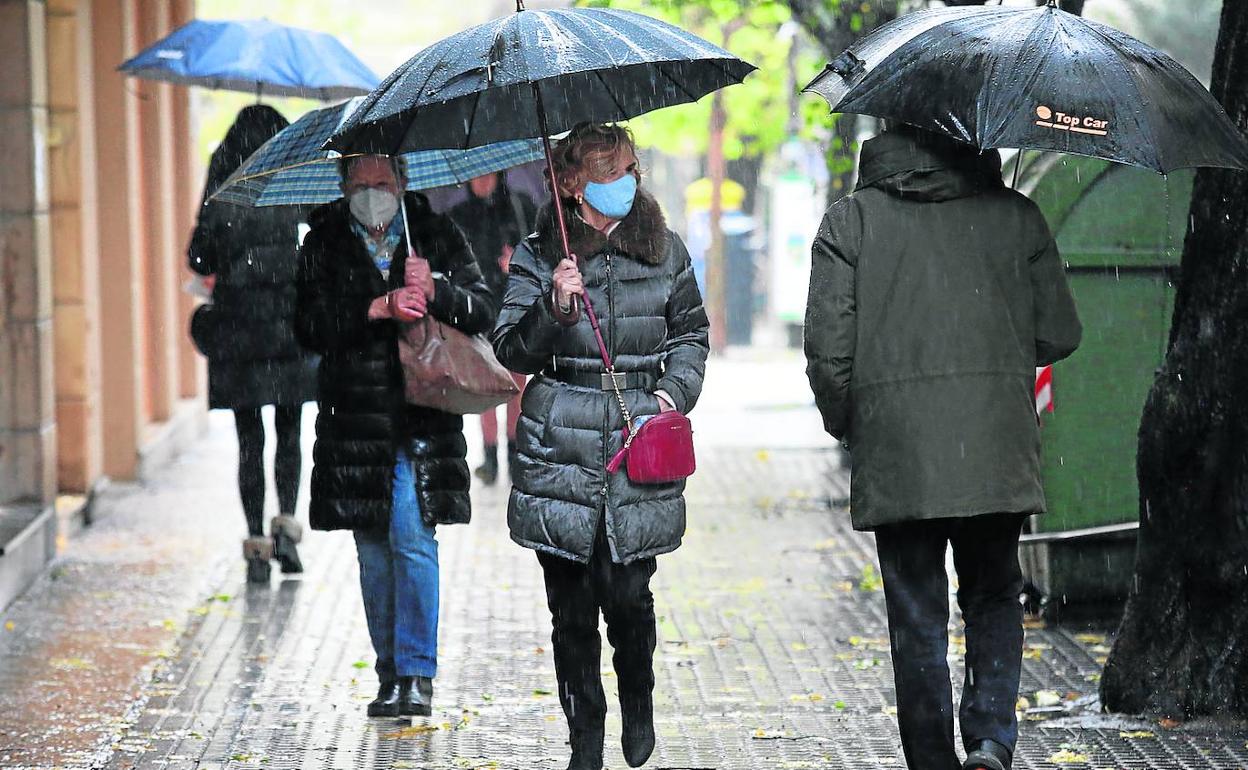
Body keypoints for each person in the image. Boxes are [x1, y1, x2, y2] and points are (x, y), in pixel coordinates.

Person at [803, 124, 1082, 770]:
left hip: (898, 448)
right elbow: (1061, 331)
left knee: (917, 611)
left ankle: (931, 759)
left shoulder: (851, 223)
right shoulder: (1017, 216)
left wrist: (858, 422)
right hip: (994, 445)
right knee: (992, 594)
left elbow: (827, 353)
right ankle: (989, 738)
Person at [493, 123, 709, 770]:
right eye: (608, 174)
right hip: (558, 444)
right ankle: (584, 733)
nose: (624, 185)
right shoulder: (540, 255)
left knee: (628, 595)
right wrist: (555, 304)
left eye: (629, 171)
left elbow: (690, 335)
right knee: (570, 608)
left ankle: (637, 698)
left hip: (638, 437)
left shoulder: (663, 250)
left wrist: (672, 395)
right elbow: (512, 350)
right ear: (570, 183)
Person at [296, 154, 494, 718]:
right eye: (360, 185)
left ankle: (416, 673)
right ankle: (390, 671)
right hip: (354, 419)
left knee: (411, 533)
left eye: (382, 183)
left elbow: (483, 307)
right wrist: (374, 307)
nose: (372, 194)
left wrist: (437, 291)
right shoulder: (323, 241)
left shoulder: (433, 229)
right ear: (344, 188)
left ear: (402, 183)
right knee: (374, 551)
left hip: (421, 414)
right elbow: (307, 327)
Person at [188, 105, 318, 584]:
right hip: (289, 330)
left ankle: (255, 548)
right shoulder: (293, 179)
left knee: (249, 442)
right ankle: (286, 529)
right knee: (289, 432)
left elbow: (198, 257)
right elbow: (321, 236)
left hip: (240, 333)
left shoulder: (225, 184)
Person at [447, 172, 537, 485]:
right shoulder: (458, 217)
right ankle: (489, 456)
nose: (482, 181)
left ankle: (514, 454)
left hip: (515, 310)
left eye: (488, 175)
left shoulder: (520, 208)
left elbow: (540, 258)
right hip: (478, 311)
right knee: (485, 386)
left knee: (514, 386)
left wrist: (518, 263)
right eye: (475, 176)